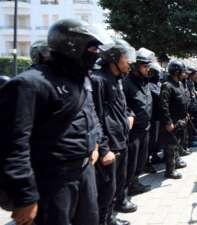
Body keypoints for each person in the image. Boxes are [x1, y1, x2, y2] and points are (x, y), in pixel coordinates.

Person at [0, 19, 113, 225]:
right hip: (52, 180)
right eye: (93, 47)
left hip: (85, 171)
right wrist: (25, 196)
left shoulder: (81, 80)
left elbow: (90, 116)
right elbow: (13, 145)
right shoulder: (29, 84)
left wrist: (94, 143)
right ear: (73, 46)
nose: (97, 53)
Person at [91, 40, 137, 225]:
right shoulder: (98, 80)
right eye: (126, 58)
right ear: (114, 59)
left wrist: (130, 115)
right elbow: (96, 117)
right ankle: (104, 220)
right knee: (106, 188)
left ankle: (110, 217)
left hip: (121, 140)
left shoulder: (118, 79)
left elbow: (123, 106)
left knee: (115, 184)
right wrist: (103, 149)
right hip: (109, 145)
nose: (129, 62)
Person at [123, 47, 154, 196]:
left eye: (148, 66)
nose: (147, 69)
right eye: (145, 66)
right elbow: (123, 106)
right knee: (131, 162)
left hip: (145, 127)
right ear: (136, 66)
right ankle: (125, 191)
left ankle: (134, 184)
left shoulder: (144, 82)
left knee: (141, 160)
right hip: (133, 131)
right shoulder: (126, 83)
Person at [159, 60, 189, 179]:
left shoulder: (180, 84)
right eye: (182, 72)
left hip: (181, 120)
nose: (184, 74)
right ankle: (169, 171)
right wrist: (168, 122)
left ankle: (176, 162)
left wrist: (186, 115)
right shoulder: (167, 85)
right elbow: (163, 105)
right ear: (176, 72)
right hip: (173, 121)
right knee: (170, 146)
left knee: (177, 143)